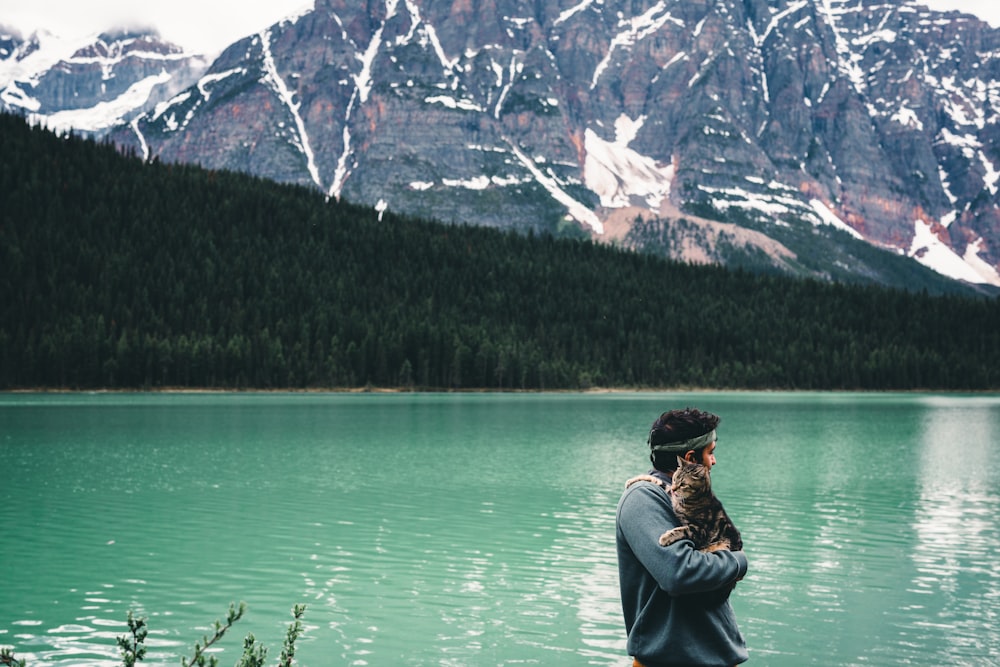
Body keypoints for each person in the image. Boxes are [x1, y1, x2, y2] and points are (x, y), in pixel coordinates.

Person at [616, 407, 749, 667]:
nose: (714, 461)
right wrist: (738, 563)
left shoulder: (688, 498)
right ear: (690, 457)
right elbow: (679, 572)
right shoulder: (642, 499)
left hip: (716, 656)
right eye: (710, 453)